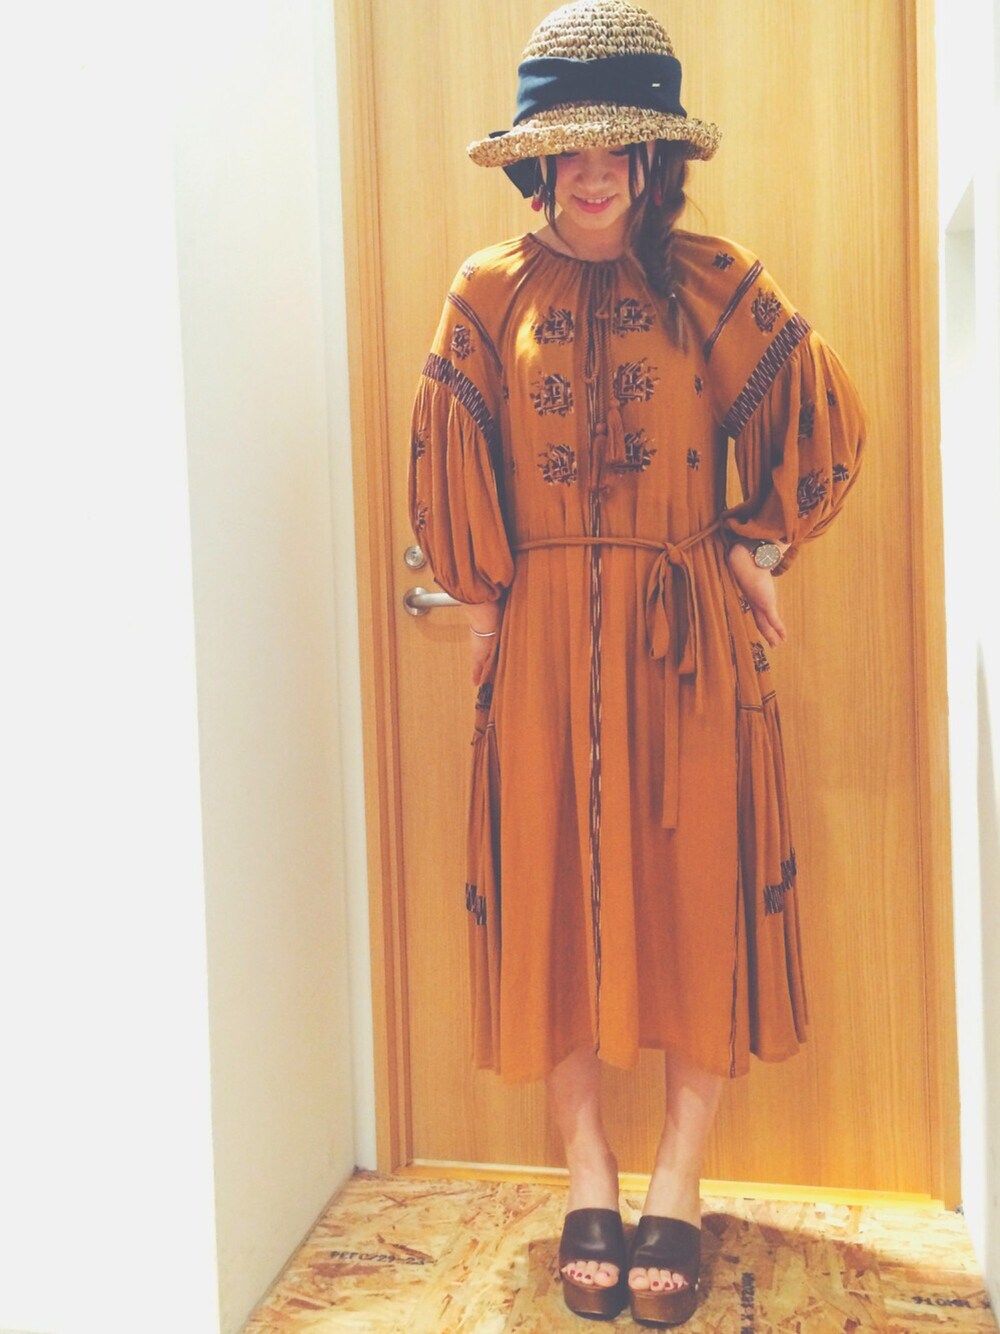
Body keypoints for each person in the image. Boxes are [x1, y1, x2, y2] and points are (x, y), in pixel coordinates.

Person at [407, 0, 868, 1324]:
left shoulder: (710, 281)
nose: (596, 170)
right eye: (573, 145)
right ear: (540, 158)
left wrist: (757, 544)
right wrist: (483, 609)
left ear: (656, 157)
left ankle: (678, 1174)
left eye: (621, 144)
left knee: (694, 895)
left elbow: (823, 417)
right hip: (543, 640)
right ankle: (587, 1175)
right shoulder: (486, 293)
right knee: (551, 891)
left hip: (688, 641)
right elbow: (450, 463)